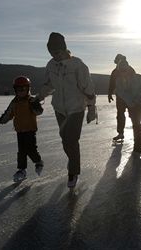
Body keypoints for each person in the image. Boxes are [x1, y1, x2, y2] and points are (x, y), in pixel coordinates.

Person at [34, 32, 97, 188]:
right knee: (64, 139)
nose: (54, 55)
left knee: (71, 140)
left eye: (56, 51)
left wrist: (91, 108)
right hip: (60, 109)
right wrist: (38, 97)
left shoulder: (78, 65)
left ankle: (73, 171)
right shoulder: (51, 65)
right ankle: (73, 163)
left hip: (76, 108)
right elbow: (49, 85)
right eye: (51, 52)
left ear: (64, 49)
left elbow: (87, 88)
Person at [0, 76, 44, 182]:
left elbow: (39, 112)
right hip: (19, 130)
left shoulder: (31, 100)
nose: (21, 92)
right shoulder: (14, 102)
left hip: (30, 130)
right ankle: (22, 170)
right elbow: (8, 114)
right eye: (19, 89)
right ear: (15, 90)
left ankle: (38, 162)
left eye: (23, 89)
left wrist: (35, 105)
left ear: (28, 89)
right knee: (21, 152)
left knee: (31, 149)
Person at [109, 54, 141, 153]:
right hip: (131, 103)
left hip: (140, 103)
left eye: (124, 71)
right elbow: (122, 94)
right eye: (121, 72)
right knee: (136, 123)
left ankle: (138, 145)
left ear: (128, 69)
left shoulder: (137, 77)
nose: (123, 73)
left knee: (136, 123)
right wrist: (130, 103)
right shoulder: (118, 81)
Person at [108, 54, 136, 141]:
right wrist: (109, 93)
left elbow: (135, 82)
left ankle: (136, 133)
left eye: (116, 60)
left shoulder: (129, 69)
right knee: (121, 114)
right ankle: (121, 133)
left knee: (130, 115)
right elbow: (112, 83)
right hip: (121, 97)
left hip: (129, 96)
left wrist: (110, 93)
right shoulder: (115, 71)